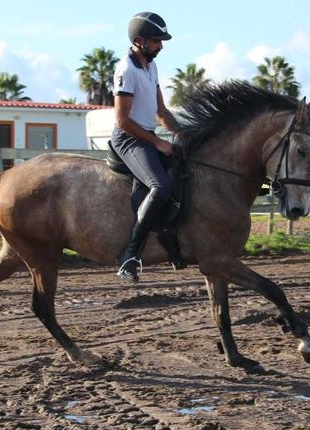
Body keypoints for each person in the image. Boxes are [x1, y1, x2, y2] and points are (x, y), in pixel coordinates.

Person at [111, 11, 183, 283]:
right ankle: (130, 255)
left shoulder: (151, 66)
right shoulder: (126, 69)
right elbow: (122, 120)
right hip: (129, 139)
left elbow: (161, 110)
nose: (161, 46)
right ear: (140, 40)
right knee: (161, 186)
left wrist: (181, 133)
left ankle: (173, 241)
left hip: (146, 134)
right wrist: (157, 142)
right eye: (156, 41)